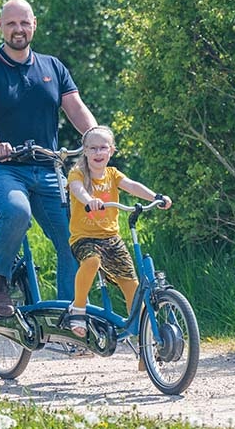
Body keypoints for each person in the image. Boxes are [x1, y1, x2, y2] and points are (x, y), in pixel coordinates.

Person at [0, 0, 98, 317]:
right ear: (0, 26)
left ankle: (73, 320)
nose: (18, 29)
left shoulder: (53, 67)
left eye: (24, 22)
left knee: (74, 238)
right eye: (11, 23)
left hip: (48, 168)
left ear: (34, 24)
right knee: (16, 211)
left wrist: (95, 138)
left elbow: (76, 108)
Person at [65, 126, 172, 337]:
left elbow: (132, 186)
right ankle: (78, 309)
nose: (98, 153)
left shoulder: (113, 175)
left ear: (111, 151)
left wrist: (155, 197)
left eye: (103, 148)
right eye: (92, 148)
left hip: (111, 239)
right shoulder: (76, 174)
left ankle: (146, 337)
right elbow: (78, 191)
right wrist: (89, 200)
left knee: (131, 284)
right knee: (92, 261)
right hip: (84, 238)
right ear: (84, 151)